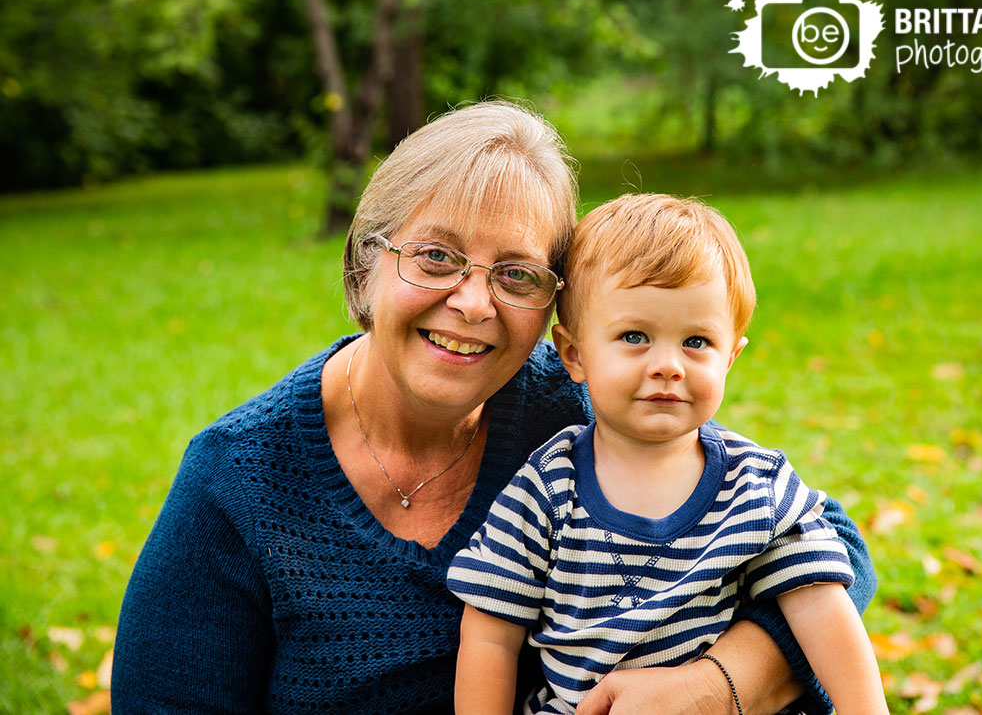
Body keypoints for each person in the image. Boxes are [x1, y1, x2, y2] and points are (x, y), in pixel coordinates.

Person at [111, 101, 876, 714]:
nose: (473, 302)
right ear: (366, 262)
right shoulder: (239, 479)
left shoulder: (572, 409)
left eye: (516, 274)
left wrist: (717, 684)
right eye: (436, 256)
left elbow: (832, 548)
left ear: (557, 316)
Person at [448, 194, 887, 715]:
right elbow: (491, 636)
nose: (668, 365)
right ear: (573, 353)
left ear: (731, 358)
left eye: (697, 341)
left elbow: (822, 607)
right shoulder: (547, 487)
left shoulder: (755, 485)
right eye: (635, 336)